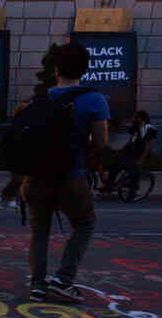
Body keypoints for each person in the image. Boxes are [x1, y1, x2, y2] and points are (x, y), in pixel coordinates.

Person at [23, 42, 109, 303]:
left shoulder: (40, 98)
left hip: (37, 176)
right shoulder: (94, 99)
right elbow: (101, 142)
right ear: (85, 69)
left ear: (56, 69)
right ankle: (63, 279)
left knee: (40, 230)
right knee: (84, 223)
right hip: (71, 175)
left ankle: (38, 285)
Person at [102, 109, 156, 195]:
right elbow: (130, 140)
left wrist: (141, 159)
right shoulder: (135, 127)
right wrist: (121, 150)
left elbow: (148, 146)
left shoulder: (149, 129)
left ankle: (132, 191)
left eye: (136, 117)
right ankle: (109, 185)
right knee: (115, 164)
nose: (133, 119)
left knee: (132, 170)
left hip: (139, 154)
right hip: (130, 152)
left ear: (141, 118)